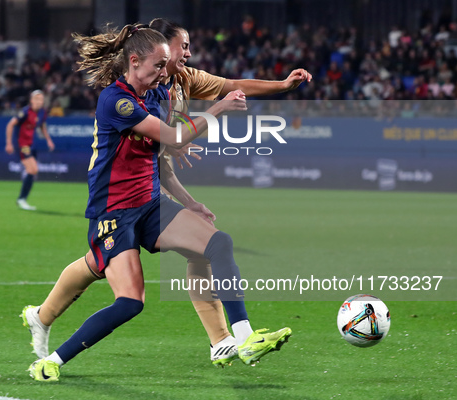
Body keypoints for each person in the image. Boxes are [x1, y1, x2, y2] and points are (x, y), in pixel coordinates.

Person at [22, 18, 311, 368]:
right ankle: (52, 359)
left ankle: (241, 337)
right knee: (127, 300)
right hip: (113, 211)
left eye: (165, 65)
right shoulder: (117, 101)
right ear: (135, 61)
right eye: (161, 63)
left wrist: (188, 197)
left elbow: (167, 145)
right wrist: (214, 112)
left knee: (217, 244)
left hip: (150, 203)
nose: (166, 71)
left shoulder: (162, 90)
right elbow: (174, 137)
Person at [5, 90, 55, 210]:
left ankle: (22, 199)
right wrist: (9, 143)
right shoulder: (25, 112)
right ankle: (22, 199)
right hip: (23, 145)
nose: (39, 101)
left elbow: (42, 125)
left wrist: (48, 139)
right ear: (31, 100)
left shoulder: (42, 113)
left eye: (41, 99)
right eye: (36, 99)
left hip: (32, 145)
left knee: (33, 171)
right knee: (33, 170)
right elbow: (10, 124)